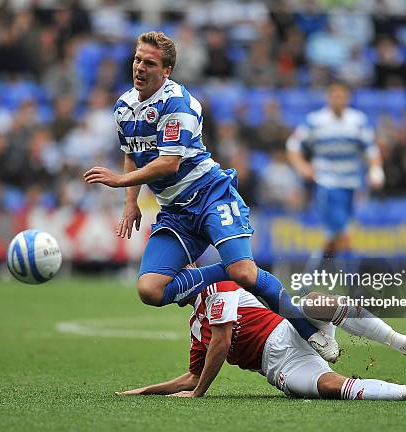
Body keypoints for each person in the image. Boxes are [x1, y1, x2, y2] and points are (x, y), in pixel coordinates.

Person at [83, 31, 335, 360]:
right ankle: (223, 269)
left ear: (166, 71)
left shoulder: (179, 104)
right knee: (149, 291)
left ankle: (308, 330)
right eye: (136, 60)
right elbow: (133, 152)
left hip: (212, 197)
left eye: (149, 63)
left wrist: (120, 182)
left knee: (244, 272)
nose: (139, 68)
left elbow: (169, 164)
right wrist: (130, 203)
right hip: (177, 212)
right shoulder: (124, 107)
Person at [116, 280, 406, 400]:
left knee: (313, 301)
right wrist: (146, 390)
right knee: (335, 388)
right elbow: (192, 376)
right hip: (281, 367)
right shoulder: (195, 327)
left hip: (289, 330)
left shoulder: (220, 288)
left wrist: (199, 392)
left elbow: (220, 343)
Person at [286, 81, 385, 262]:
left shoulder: (358, 121)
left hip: (351, 185)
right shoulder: (316, 121)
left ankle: (305, 282)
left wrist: (376, 170)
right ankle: (354, 286)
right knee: (345, 235)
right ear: (328, 97)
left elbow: (371, 150)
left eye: (341, 95)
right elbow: (293, 146)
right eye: (334, 95)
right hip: (327, 184)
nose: (337, 99)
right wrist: (302, 166)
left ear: (348, 98)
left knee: (332, 240)